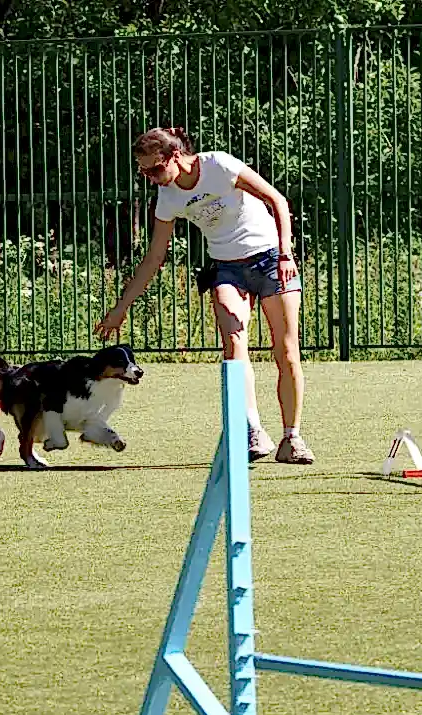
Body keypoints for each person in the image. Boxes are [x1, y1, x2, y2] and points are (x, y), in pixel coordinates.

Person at [95, 127, 314, 464]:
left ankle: (292, 438)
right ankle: (253, 430)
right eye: (144, 173)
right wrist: (121, 308)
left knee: (285, 350)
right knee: (234, 343)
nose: (151, 178)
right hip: (226, 268)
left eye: (155, 169)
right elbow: (154, 258)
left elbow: (277, 200)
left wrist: (286, 253)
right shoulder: (168, 197)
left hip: (271, 259)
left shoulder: (219, 165)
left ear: (175, 157)